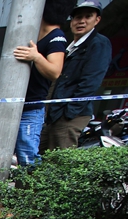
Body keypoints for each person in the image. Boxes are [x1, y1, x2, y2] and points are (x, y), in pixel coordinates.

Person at [41, 0, 112, 151]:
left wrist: (70, 112)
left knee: (59, 160)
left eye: (88, 16)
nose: (82, 21)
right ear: (71, 20)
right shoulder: (70, 46)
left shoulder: (99, 43)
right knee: (41, 155)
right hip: (54, 112)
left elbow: (90, 82)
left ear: (97, 19)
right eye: (78, 17)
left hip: (70, 115)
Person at [11, 0, 68, 165]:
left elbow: (55, 72)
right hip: (14, 107)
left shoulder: (56, 37)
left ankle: (30, 190)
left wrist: (36, 57)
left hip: (31, 109)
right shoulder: (33, 35)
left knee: (28, 159)